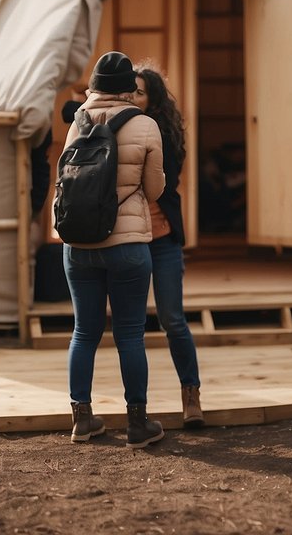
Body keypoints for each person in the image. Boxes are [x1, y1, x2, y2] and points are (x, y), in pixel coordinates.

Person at [61, 51, 166, 448]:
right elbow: (155, 190)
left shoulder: (77, 122)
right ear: (127, 88)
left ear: (94, 85)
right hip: (127, 245)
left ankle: (82, 421)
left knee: (84, 332)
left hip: (79, 243)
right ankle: (137, 425)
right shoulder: (145, 125)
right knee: (129, 335)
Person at [131, 64, 203, 428]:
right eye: (129, 91)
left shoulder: (163, 132)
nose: (132, 97)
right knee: (130, 326)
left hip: (163, 238)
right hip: (130, 238)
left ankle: (191, 393)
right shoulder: (119, 127)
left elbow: (165, 179)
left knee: (173, 318)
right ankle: (137, 409)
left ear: (153, 98)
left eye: (140, 92)